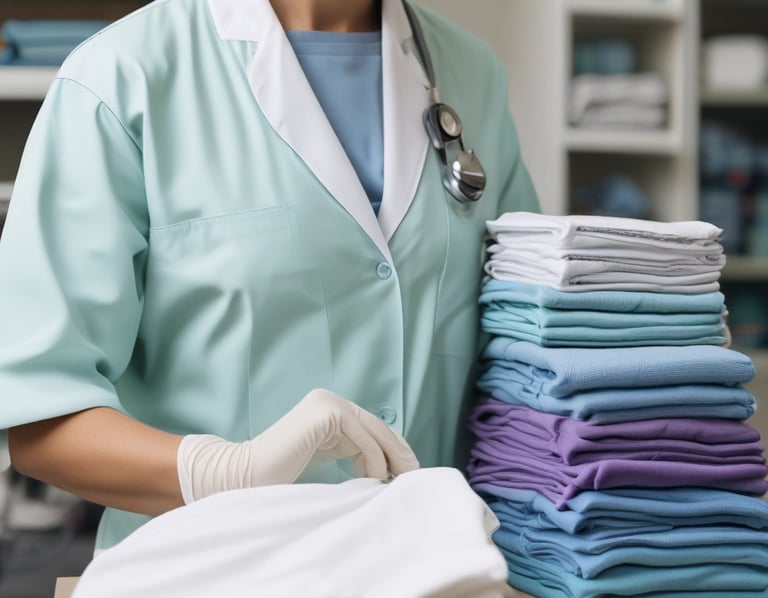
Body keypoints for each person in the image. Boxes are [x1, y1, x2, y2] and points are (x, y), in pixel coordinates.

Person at [0, 0, 539, 552]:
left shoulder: (472, 72)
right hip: (207, 571)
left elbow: (529, 353)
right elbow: (41, 419)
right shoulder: (122, 75)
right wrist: (229, 470)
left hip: (435, 569)